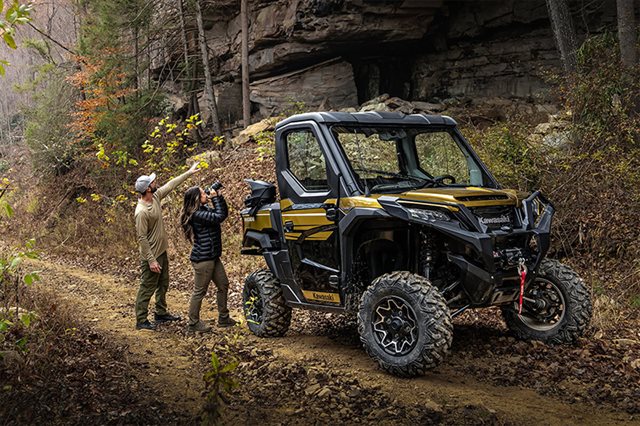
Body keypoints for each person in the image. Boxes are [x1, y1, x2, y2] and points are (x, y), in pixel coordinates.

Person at [134, 163, 199, 330]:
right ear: (148, 188)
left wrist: (189, 172)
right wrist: (151, 260)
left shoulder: (155, 197)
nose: (155, 183)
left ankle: (161, 313)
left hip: (161, 252)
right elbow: (141, 238)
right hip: (151, 256)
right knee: (147, 287)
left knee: (163, 283)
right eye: (152, 182)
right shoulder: (141, 212)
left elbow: (171, 184)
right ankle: (141, 320)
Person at [180, 184, 236, 332]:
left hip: (212, 256)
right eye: (202, 194)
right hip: (203, 259)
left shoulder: (203, 210)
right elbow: (218, 217)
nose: (205, 194)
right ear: (197, 199)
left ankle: (223, 318)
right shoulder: (197, 214)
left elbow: (222, 213)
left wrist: (219, 197)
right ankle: (193, 323)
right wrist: (215, 198)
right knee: (200, 291)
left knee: (223, 285)